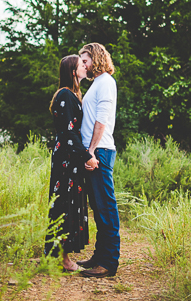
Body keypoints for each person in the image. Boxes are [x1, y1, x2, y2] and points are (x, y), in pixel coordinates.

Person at [45, 54, 93, 272]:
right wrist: (87, 156)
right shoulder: (65, 95)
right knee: (65, 204)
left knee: (67, 203)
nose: (85, 66)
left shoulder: (71, 95)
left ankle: (59, 256)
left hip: (69, 157)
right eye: (81, 64)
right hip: (67, 158)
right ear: (73, 72)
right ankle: (62, 259)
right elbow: (69, 133)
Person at [76, 42, 120, 278]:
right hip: (95, 150)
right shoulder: (96, 84)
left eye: (85, 60)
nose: (83, 64)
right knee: (98, 207)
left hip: (100, 151)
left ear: (97, 58)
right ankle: (99, 256)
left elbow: (101, 120)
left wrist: (91, 151)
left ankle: (109, 263)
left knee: (106, 207)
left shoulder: (106, 82)